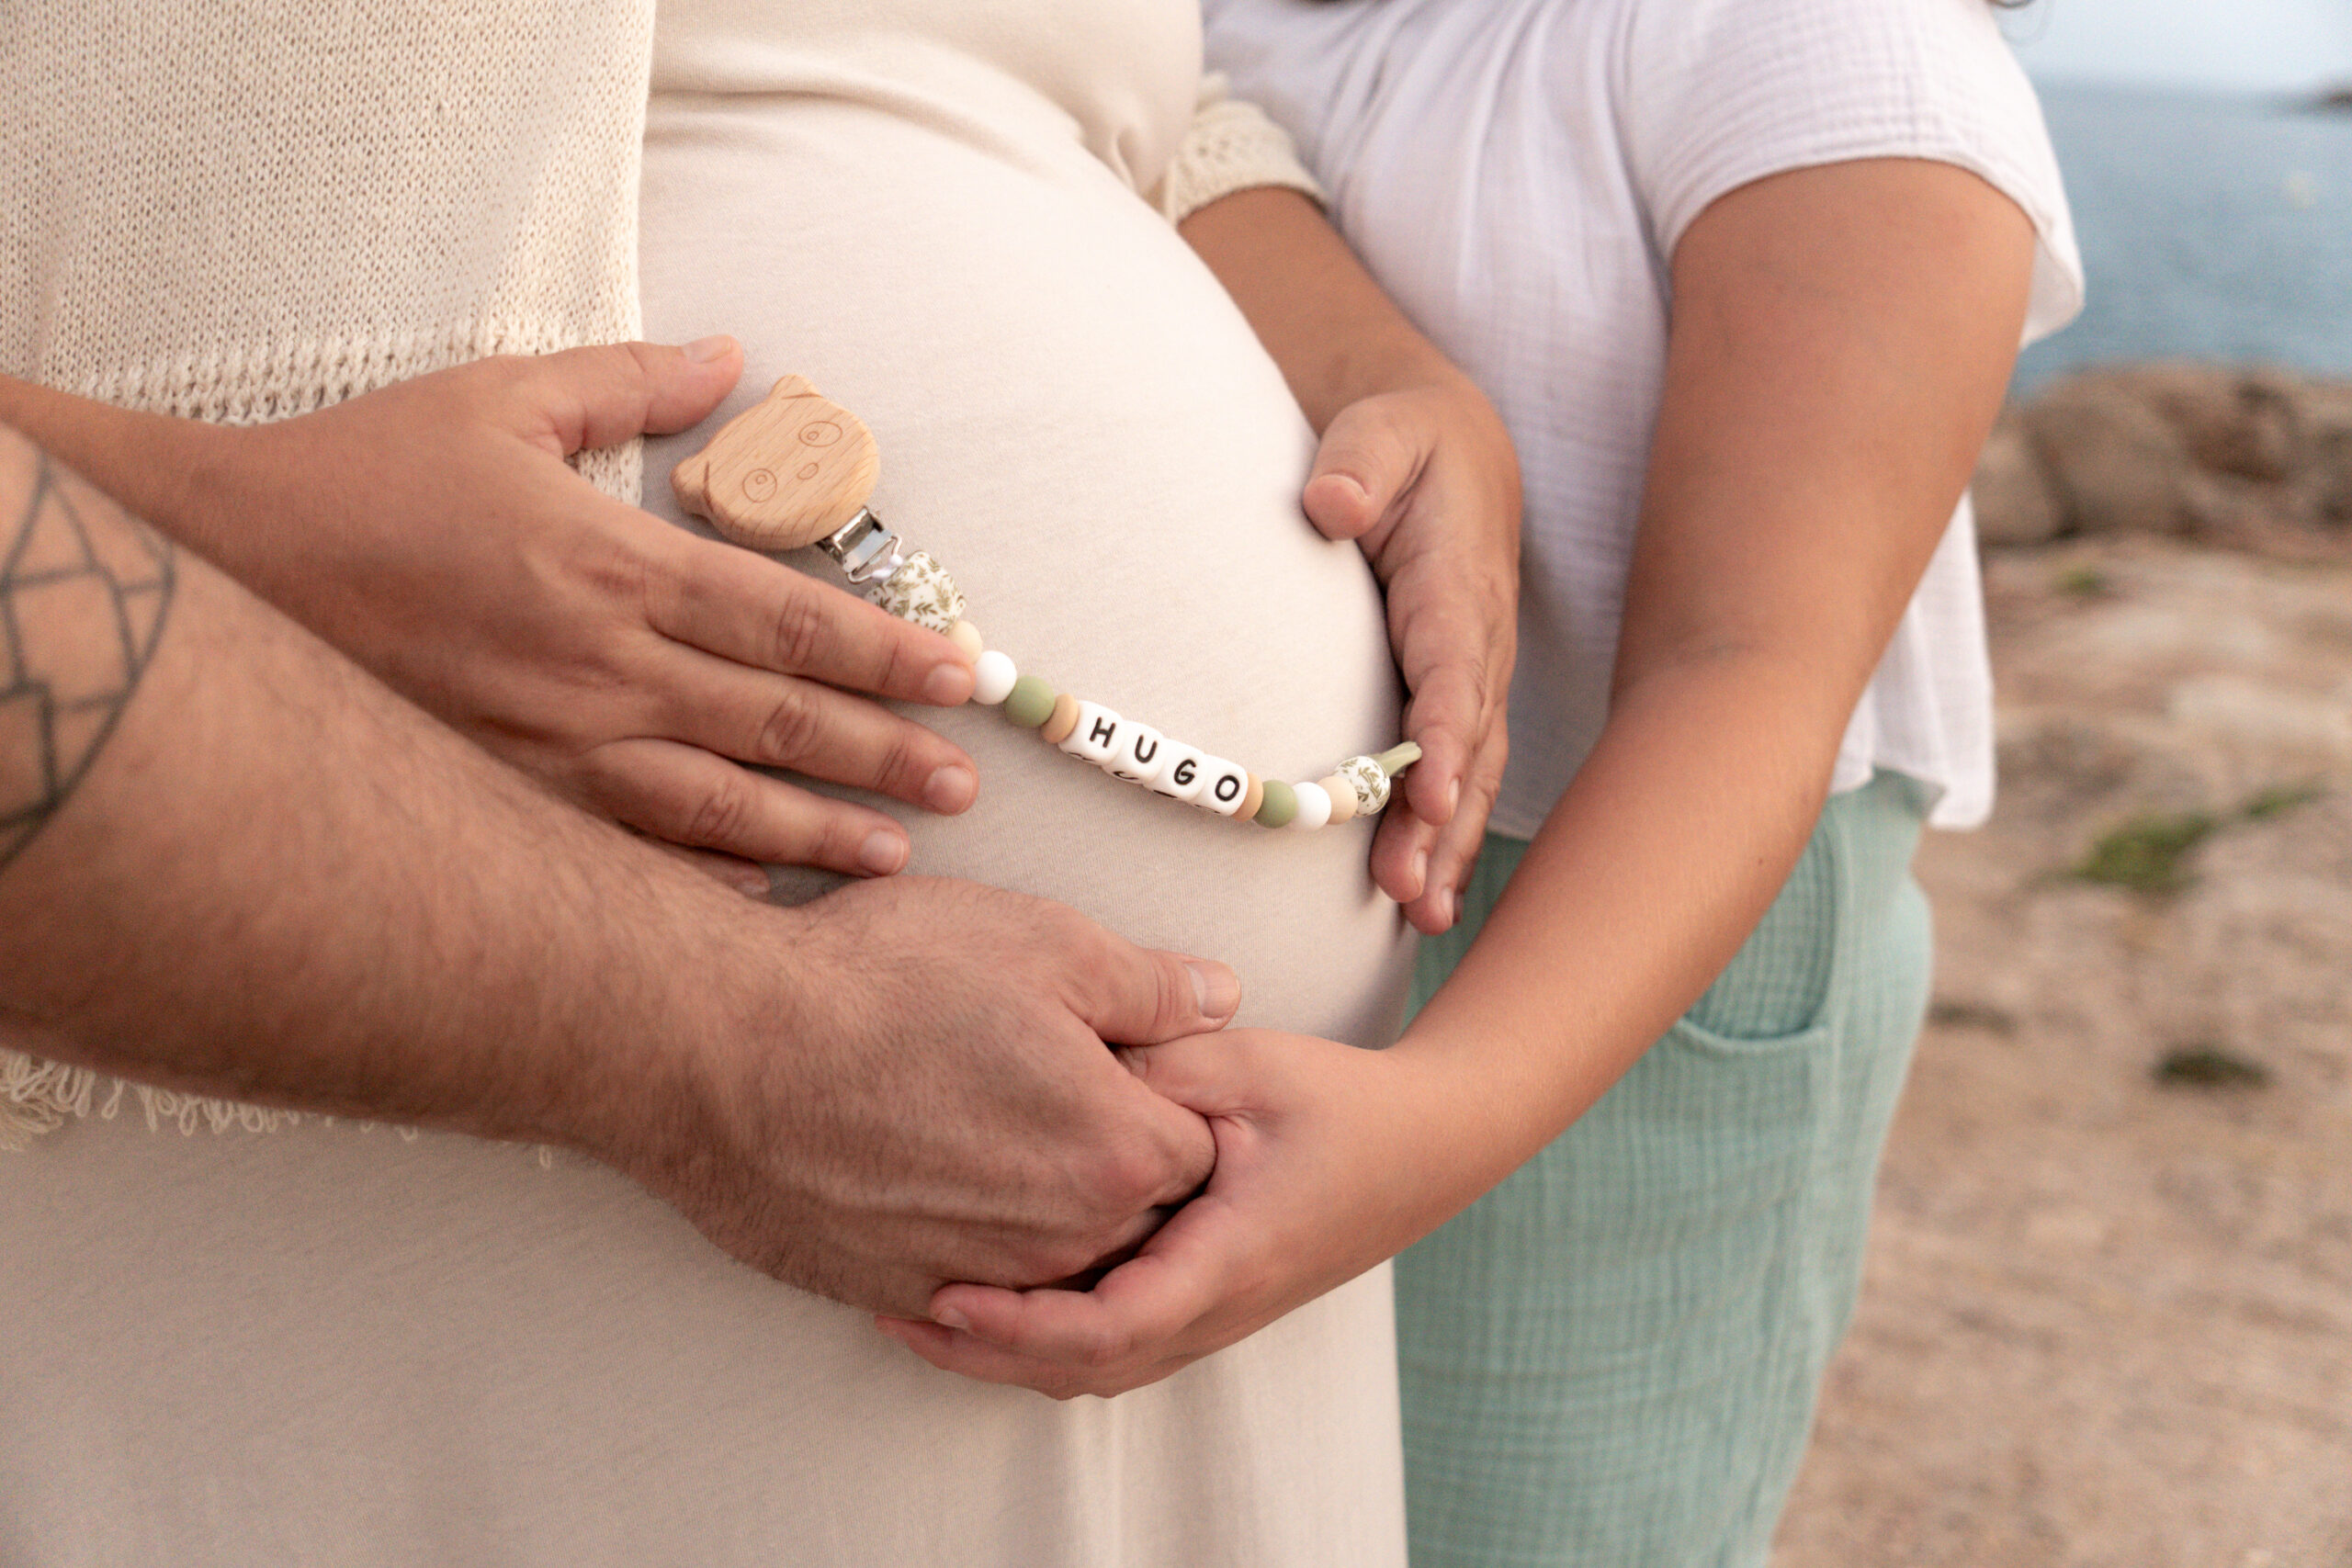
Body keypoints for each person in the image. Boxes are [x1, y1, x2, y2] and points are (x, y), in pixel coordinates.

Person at [0, 0, 1518, 1560]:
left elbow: (1096, 90)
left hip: (1205, 1289)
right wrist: (219, 518)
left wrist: (1378, 362)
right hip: (367, 1115)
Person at [889, 2, 2083, 1564]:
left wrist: (1438, 1112)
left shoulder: (1843, 46)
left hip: (1620, 966)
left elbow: (1750, 669)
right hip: (1311, 972)